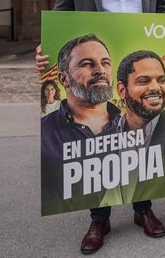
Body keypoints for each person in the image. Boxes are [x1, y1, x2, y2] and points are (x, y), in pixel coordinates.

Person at [36, 0, 165, 253]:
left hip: (135, 62)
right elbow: (62, 14)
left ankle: (143, 209)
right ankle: (99, 218)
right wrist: (46, 49)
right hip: (96, 65)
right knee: (97, 140)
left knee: (136, 137)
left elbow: (162, 9)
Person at [41, 35, 119, 217]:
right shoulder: (47, 131)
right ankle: (99, 220)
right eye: (86, 64)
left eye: (106, 62)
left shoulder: (130, 124)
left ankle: (143, 210)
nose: (100, 70)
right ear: (64, 78)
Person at [113, 50, 165, 204]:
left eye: (161, 80)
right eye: (144, 81)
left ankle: (143, 210)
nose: (156, 87)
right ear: (122, 90)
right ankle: (100, 218)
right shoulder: (101, 131)